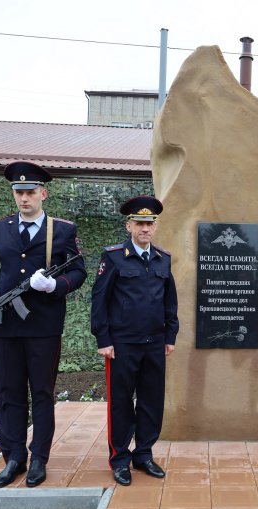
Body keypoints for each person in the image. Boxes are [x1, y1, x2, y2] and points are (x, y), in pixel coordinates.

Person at [0, 161, 87, 488]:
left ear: (43, 194)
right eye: (19, 192)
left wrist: (55, 285)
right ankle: (14, 458)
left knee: (42, 393)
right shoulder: (1, 229)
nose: (24, 198)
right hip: (6, 325)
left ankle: (40, 459)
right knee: (8, 392)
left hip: (44, 327)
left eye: (30, 192)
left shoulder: (62, 230)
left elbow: (79, 272)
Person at [90, 195, 179, 486]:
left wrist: (170, 336)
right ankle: (120, 459)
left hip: (154, 343)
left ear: (155, 227)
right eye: (139, 223)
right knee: (121, 403)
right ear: (129, 225)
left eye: (150, 223)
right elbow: (99, 299)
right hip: (122, 345)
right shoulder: (114, 256)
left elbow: (170, 301)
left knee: (151, 401)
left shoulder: (162, 258)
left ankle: (143, 454)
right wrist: (103, 338)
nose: (145, 228)